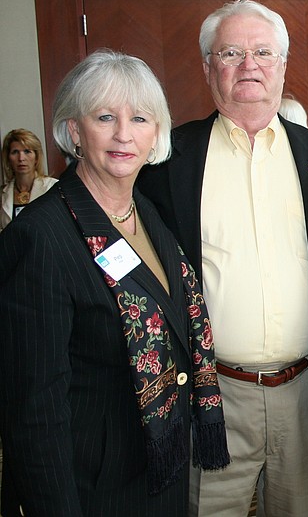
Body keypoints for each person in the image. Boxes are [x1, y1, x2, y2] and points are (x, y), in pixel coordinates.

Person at [137, 0, 308, 517]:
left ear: (282, 63)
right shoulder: (167, 160)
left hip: (304, 395)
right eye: (231, 52)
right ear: (208, 66)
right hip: (210, 398)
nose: (249, 64)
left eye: (263, 52)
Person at [0, 50, 229, 516]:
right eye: (105, 117)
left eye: (140, 118)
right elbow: (34, 409)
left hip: (158, 468)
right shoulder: (41, 235)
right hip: (92, 486)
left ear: (156, 134)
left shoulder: (145, 212)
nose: (124, 134)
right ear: (74, 132)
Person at [0, 128, 58, 229]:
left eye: (27, 151)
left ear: (36, 157)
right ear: (8, 158)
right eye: (15, 152)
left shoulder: (53, 187)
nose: (21, 158)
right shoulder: (2, 194)